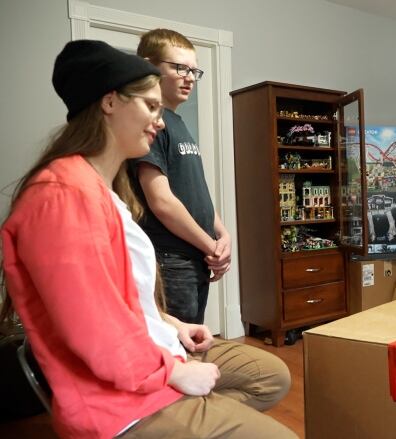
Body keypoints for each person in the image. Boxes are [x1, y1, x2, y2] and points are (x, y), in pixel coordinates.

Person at [1, 40, 296, 439]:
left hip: (154, 352)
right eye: (151, 107)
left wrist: (171, 324)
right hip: (118, 403)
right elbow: (96, 332)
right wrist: (175, 372)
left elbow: (121, 300)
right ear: (109, 102)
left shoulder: (105, 190)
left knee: (270, 375)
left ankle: (201, 415)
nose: (159, 121)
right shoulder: (61, 196)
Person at [129, 28, 229, 324]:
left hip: (195, 256)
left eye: (194, 70)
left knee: (193, 343)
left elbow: (194, 191)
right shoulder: (151, 123)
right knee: (179, 352)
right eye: (180, 67)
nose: (189, 77)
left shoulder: (177, 122)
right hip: (171, 260)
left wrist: (223, 235)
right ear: (150, 67)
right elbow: (161, 201)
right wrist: (211, 246)